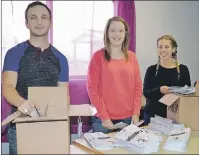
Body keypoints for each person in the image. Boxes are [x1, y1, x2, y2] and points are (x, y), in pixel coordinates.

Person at [2, 2, 69, 154]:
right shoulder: (14, 53)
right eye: (33, 17)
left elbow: (63, 95)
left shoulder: (61, 58)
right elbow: (7, 87)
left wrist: (61, 121)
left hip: (51, 126)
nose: (39, 22)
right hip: (21, 125)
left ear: (50, 23)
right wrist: (22, 103)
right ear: (26, 23)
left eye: (44, 17)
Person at [87, 16, 142, 134]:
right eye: (112, 30)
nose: (117, 34)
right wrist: (104, 116)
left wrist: (136, 112)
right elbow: (92, 89)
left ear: (125, 34)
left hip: (128, 119)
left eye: (121, 30)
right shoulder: (97, 57)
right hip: (103, 120)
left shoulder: (132, 57)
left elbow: (137, 87)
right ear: (107, 33)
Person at [143, 35, 191, 125]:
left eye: (166, 47)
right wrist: (159, 90)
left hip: (174, 117)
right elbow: (146, 92)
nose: (163, 50)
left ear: (173, 49)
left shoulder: (183, 70)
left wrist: (176, 92)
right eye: (160, 47)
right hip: (152, 117)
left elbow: (187, 95)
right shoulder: (151, 70)